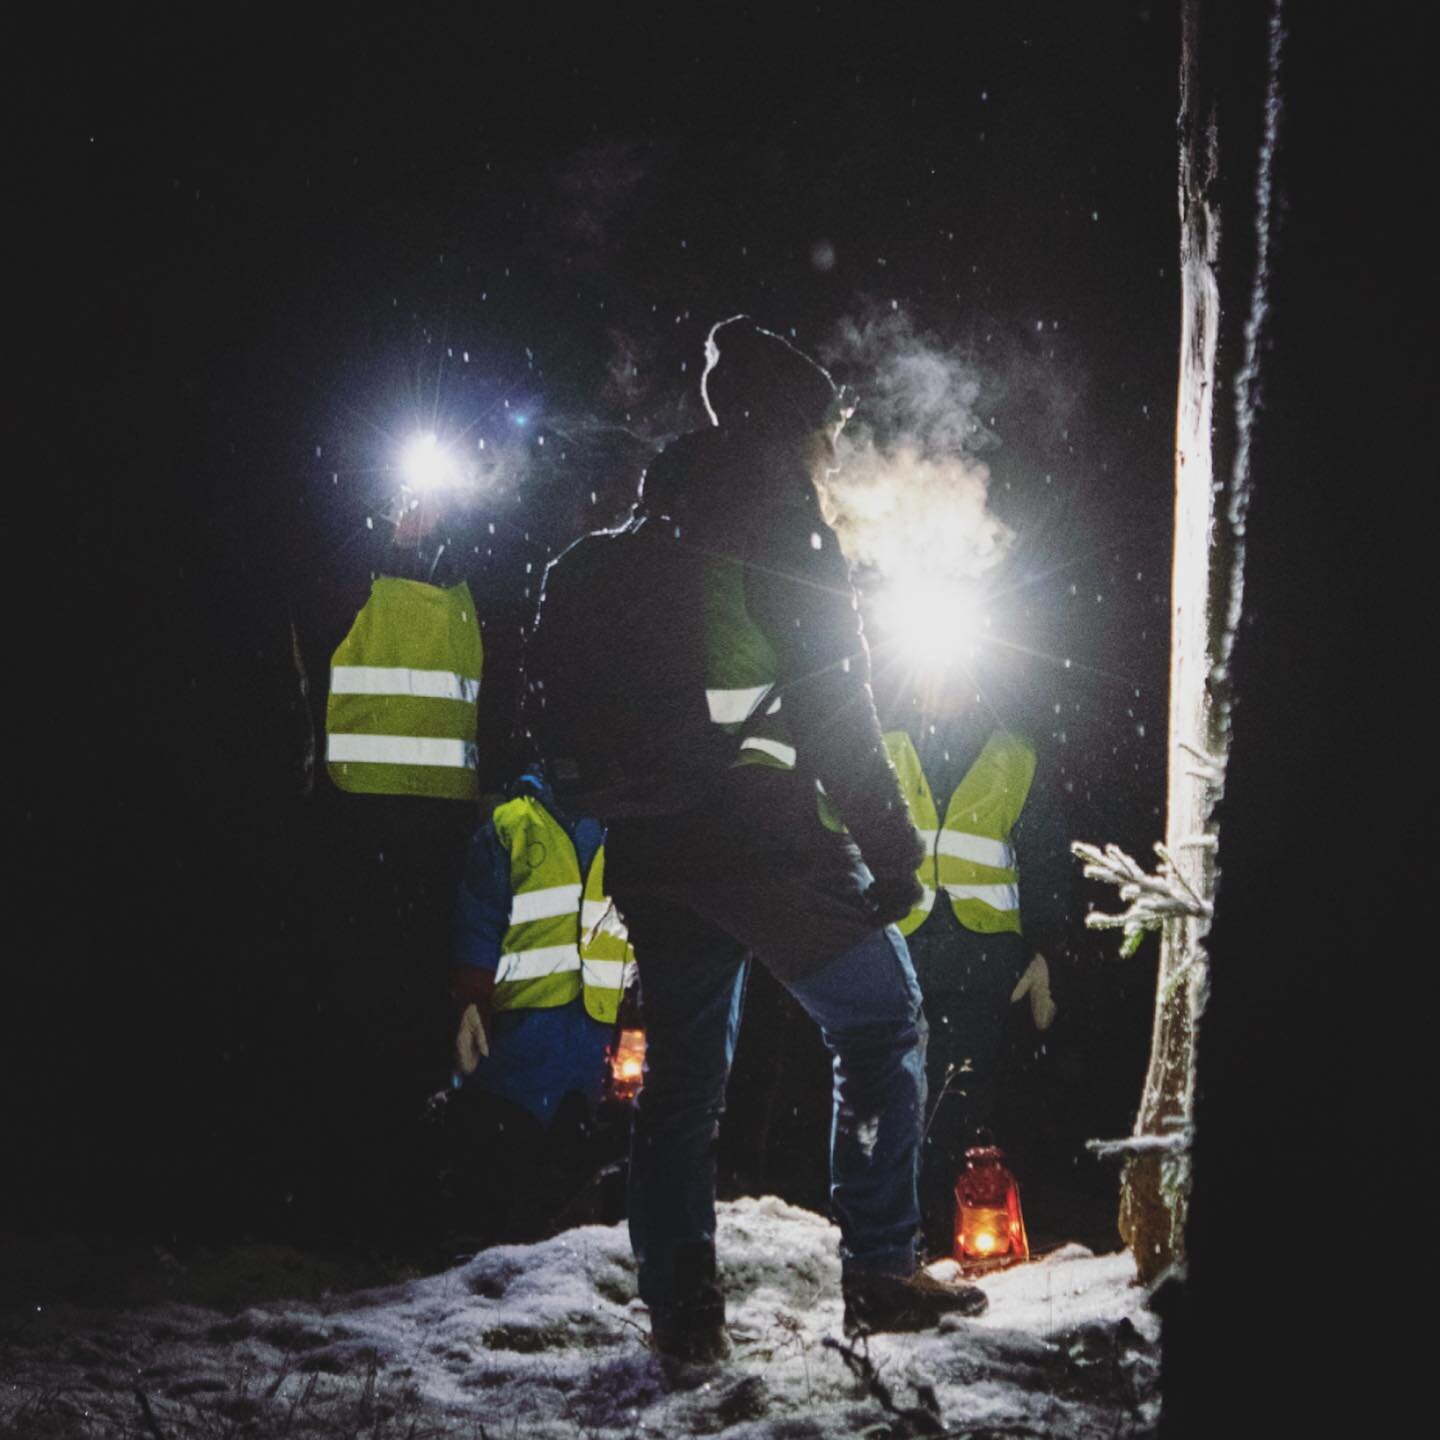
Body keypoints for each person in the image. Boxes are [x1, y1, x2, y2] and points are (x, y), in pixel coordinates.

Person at [538, 317, 990, 1360]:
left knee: (684, 1085)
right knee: (879, 1025)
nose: (832, 446)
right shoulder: (783, 525)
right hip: (759, 834)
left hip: (652, 843)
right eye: (824, 427)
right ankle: (878, 1268)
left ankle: (683, 1317)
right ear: (791, 426)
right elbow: (838, 701)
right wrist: (895, 844)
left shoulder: (654, 524)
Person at [445, 769, 636, 1241]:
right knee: (502, 1155)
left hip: (597, 1033)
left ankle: (554, 1246)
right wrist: (472, 1002)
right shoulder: (513, 826)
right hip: (519, 1032)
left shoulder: (627, 824)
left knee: (577, 1161)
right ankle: (483, 1249)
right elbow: (478, 922)